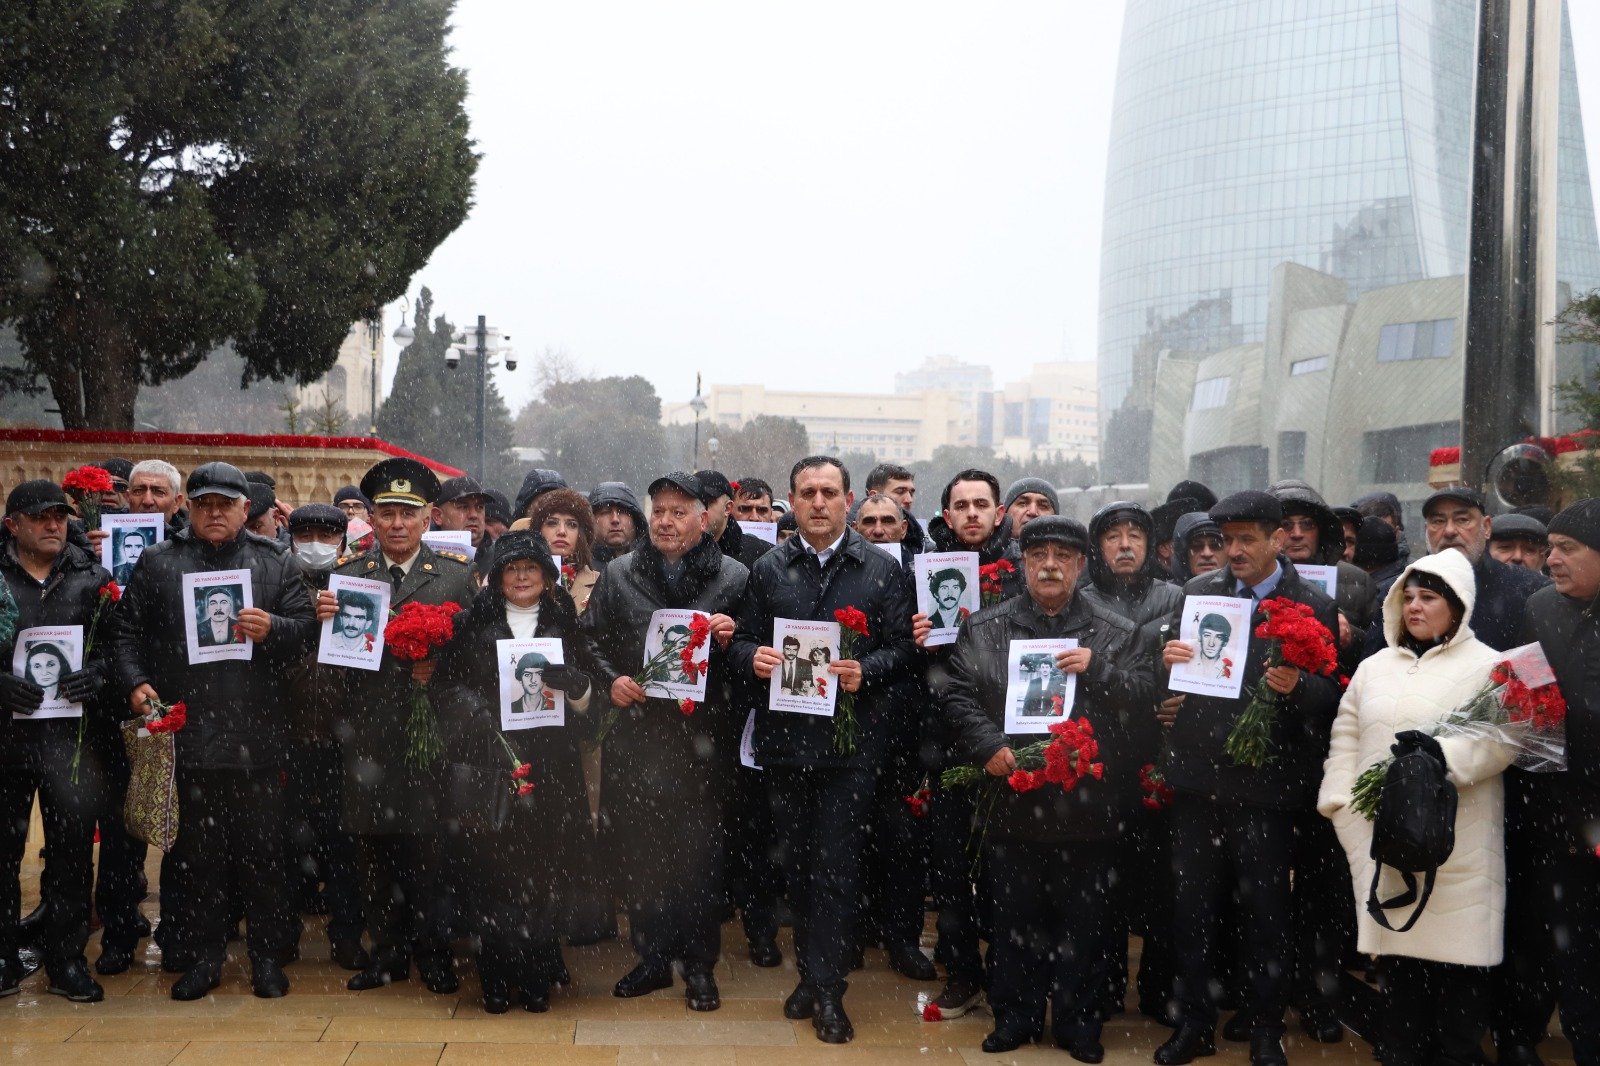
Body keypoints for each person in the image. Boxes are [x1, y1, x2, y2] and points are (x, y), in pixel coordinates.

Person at [943, 514, 1150, 1060]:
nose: (1050, 566)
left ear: (1081, 565)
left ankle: (1079, 1024)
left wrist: (1099, 669)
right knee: (1014, 918)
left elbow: (1143, 701)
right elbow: (958, 695)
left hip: (1087, 806)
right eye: (1039, 556)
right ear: (1023, 564)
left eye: (1062, 557)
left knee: (1085, 922)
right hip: (1014, 798)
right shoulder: (986, 626)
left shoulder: (1115, 630)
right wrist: (989, 745)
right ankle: (1015, 1017)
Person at [110, 461, 316, 1000]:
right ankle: (204, 957)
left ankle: (268, 957)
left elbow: (306, 633)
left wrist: (275, 628)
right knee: (196, 858)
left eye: (226, 504)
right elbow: (124, 633)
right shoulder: (159, 562)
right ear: (188, 508)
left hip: (258, 736)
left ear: (246, 509)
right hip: (189, 734)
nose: (216, 513)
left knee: (264, 856)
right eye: (205, 504)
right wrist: (135, 683)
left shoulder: (275, 562)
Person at [730, 455, 915, 1043]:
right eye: (807, 492)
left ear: (848, 500)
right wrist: (753, 657)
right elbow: (743, 641)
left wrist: (868, 669)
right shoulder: (769, 568)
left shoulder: (880, 568)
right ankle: (810, 976)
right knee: (799, 869)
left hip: (849, 746)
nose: (817, 502)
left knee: (836, 867)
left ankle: (829, 990)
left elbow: (904, 649)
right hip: (786, 742)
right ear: (791, 499)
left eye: (828, 492)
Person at [1155, 491, 1341, 1066]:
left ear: (1277, 539)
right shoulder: (1199, 594)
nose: (1232, 551)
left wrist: (1300, 687)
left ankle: (1265, 1028)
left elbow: (1335, 693)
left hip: (1266, 787)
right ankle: (1194, 1024)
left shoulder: (1311, 602)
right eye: (1225, 540)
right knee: (1192, 910)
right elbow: (1171, 684)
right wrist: (1168, 666)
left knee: (1266, 914)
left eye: (1245, 540)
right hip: (1198, 781)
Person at [1318, 551, 1514, 1066]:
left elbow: (1504, 741)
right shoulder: (1374, 666)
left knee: (1458, 975)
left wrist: (1442, 756)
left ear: (1458, 606)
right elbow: (1346, 734)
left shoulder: (1489, 666)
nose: (1414, 607)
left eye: (1428, 598)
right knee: (1401, 967)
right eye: (1408, 597)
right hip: (1385, 839)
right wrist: (1341, 800)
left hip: (1459, 843)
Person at [581, 470, 747, 1012]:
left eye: (679, 512)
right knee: (644, 855)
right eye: (659, 511)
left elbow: (755, 658)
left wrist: (732, 642)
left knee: (699, 861)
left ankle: (700, 966)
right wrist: (612, 681)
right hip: (638, 738)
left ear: (704, 519)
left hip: (704, 743)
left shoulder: (734, 577)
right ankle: (652, 958)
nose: (666, 522)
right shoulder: (621, 574)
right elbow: (589, 640)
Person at [318, 457, 476, 996]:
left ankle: (434, 955)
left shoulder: (455, 574)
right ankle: (387, 954)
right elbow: (333, 665)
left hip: (430, 738)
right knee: (373, 852)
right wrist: (324, 623)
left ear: (428, 518)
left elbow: (477, 654)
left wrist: (440, 669)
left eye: (408, 514)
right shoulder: (348, 575)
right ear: (373, 519)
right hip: (367, 734)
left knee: (430, 853)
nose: (398, 524)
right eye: (387, 513)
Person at [430, 531, 601, 1013]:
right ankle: (496, 974)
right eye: (512, 568)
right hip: (492, 766)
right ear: (497, 577)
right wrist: (473, 711)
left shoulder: (565, 623)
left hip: (552, 767)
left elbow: (591, 700)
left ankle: (537, 971)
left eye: (531, 568)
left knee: (544, 869)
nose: (522, 577)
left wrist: (578, 689)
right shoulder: (470, 623)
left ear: (547, 576)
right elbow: (445, 686)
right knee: (492, 872)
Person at [0, 480, 113, 1002]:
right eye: (40, 517)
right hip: (6, 740)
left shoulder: (92, 577)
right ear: (12, 525)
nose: (53, 525)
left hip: (71, 742)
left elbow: (119, 645)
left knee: (70, 855)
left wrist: (98, 675)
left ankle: (66, 960)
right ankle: (3, 958)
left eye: (60, 516)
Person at [1513, 498, 1600, 1063]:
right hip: (1562, 815)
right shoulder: (1540, 608)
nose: (1551, 560)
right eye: (1551, 548)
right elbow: (1528, 702)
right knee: (1574, 942)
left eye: (1567, 548)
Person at [281, 502, 367, 972]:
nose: (316, 544)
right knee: (285, 841)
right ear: (292, 538)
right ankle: (282, 934)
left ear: (343, 540)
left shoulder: (360, 581)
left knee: (344, 843)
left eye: (327, 535)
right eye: (306, 534)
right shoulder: (277, 582)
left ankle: (347, 934)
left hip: (344, 737)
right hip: (288, 733)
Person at [519, 488, 600, 613]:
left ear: (582, 535)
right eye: (552, 523)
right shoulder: (519, 581)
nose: (562, 531)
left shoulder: (601, 583)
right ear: (538, 531)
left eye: (572, 524)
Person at [697, 470, 771, 571]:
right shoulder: (677, 549)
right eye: (693, 504)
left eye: (707, 502)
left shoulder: (763, 555)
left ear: (727, 508)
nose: (754, 518)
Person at [865, 462, 931, 551]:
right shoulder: (848, 541)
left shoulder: (924, 548)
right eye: (900, 491)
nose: (909, 500)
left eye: (911, 493)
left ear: (904, 527)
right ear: (874, 496)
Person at [589, 482, 647, 567]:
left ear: (636, 521)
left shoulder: (653, 567)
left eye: (623, 512)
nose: (615, 519)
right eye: (606, 512)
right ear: (591, 521)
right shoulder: (577, 568)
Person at [432, 475, 491, 553]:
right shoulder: (420, 556)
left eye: (480, 507)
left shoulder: (500, 557)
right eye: (463, 507)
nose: (474, 515)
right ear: (438, 516)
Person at [127, 459, 187, 536]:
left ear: (176, 502)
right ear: (128, 498)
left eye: (159, 492)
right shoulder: (111, 532)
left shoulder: (195, 539)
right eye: (138, 491)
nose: (147, 501)